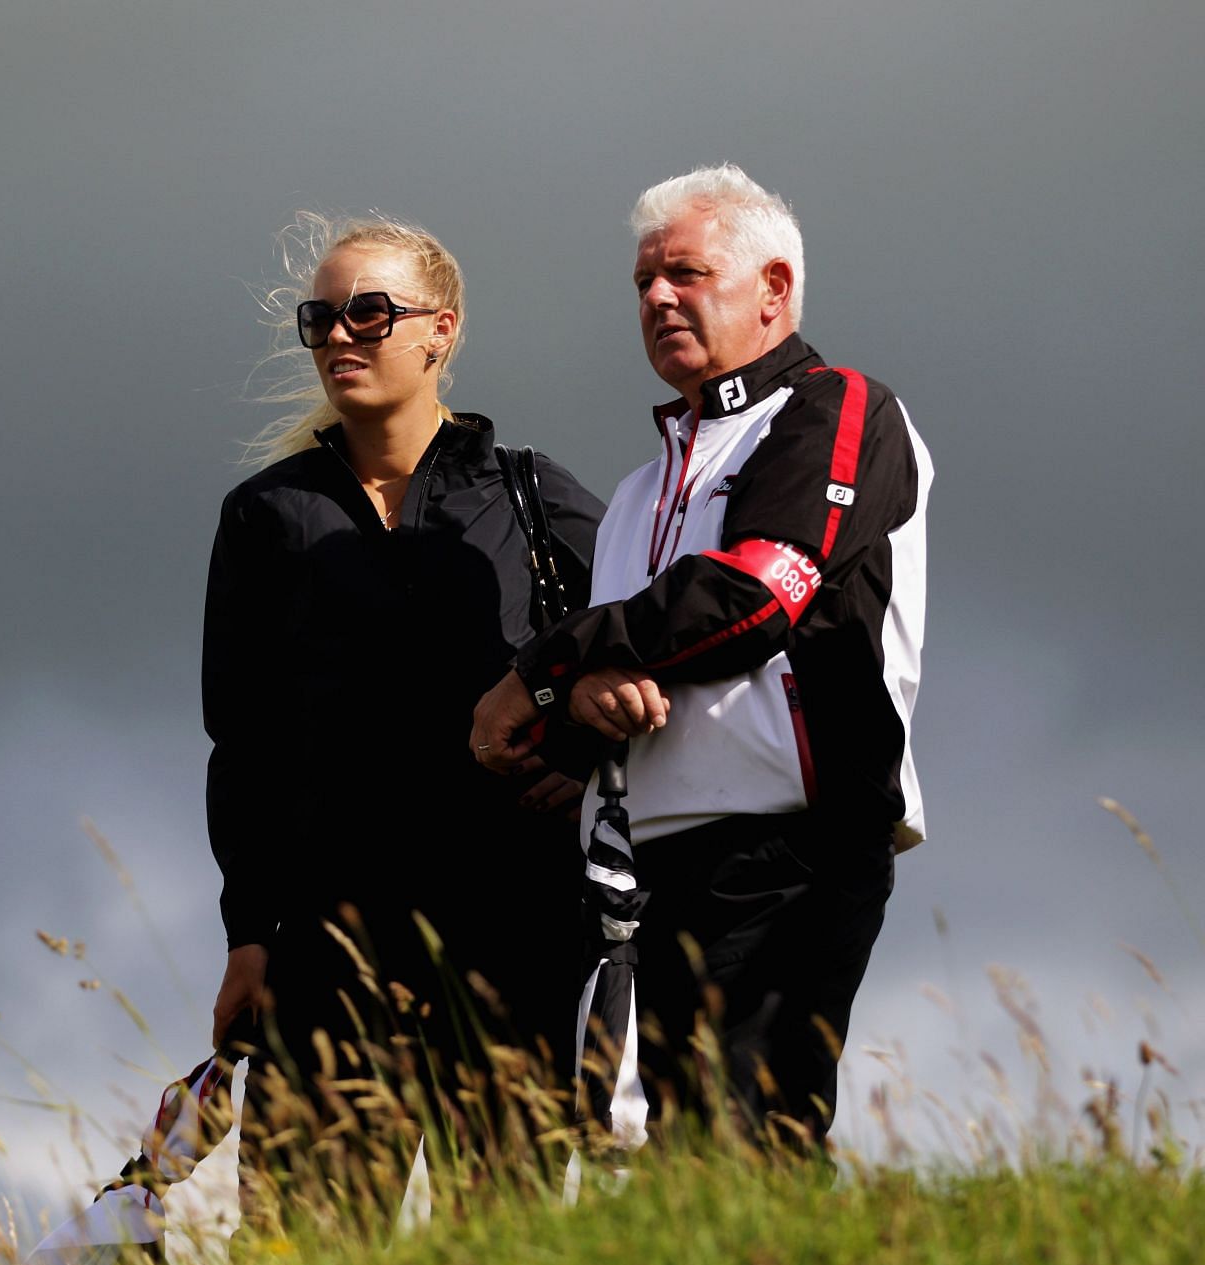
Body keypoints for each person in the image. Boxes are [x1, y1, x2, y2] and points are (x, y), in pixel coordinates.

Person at [470, 164, 933, 1150]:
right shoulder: (638, 489)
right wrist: (579, 703)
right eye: (643, 280)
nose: (657, 298)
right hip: (650, 862)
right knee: (679, 1162)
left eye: (685, 272)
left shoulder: (839, 407)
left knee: (748, 1141)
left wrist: (544, 666)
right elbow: (636, 665)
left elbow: (758, 595)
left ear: (773, 288)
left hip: (791, 839)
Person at [202, 214, 604, 1194]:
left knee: (506, 1241)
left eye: (371, 313)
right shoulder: (266, 515)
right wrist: (249, 933)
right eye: (322, 317)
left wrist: (584, 759)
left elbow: (649, 640)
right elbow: (241, 740)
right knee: (308, 1247)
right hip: (331, 945)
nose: (341, 335)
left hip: (519, 925)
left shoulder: (528, 496)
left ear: (442, 329)